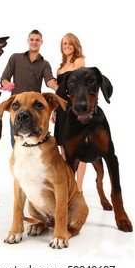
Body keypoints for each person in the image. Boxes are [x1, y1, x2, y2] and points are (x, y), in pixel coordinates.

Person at [0, 29, 58, 147]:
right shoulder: (15, 58)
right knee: (16, 145)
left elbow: (49, 80)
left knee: (38, 144)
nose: (34, 42)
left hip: (35, 112)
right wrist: (7, 84)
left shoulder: (44, 64)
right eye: (32, 39)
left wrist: (59, 88)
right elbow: (4, 78)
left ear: (41, 42)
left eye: (37, 40)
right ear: (28, 41)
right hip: (17, 110)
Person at [51, 33, 86, 191]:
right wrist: (54, 110)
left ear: (75, 45)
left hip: (75, 109)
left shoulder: (79, 61)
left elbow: (79, 87)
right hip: (61, 110)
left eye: (70, 44)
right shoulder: (59, 68)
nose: (67, 46)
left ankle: (78, 188)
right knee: (64, 149)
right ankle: (69, 185)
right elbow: (59, 92)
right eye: (64, 43)